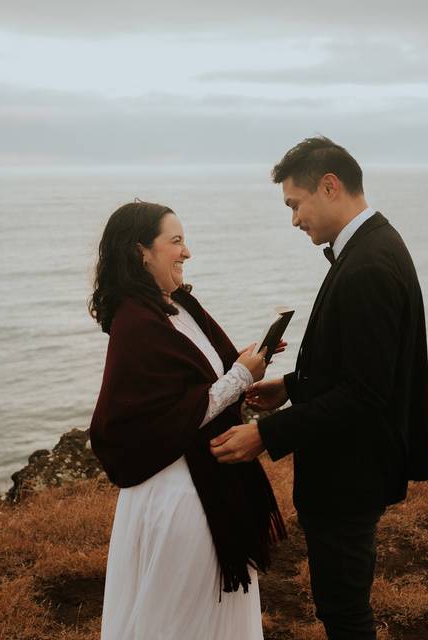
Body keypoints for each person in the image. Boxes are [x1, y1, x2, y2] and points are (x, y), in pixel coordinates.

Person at [210, 137, 428, 639]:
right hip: (355, 465)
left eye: (295, 204)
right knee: (341, 604)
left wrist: (265, 436)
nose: (293, 220)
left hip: (352, 473)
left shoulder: (370, 265)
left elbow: (363, 394)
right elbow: (362, 365)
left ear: (329, 186)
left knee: (344, 611)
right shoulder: (372, 245)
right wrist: (289, 384)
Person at [88, 201, 287, 640]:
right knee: (182, 617)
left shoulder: (179, 306)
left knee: (215, 616)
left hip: (209, 485)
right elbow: (175, 413)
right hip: (177, 495)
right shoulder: (135, 323)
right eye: (175, 241)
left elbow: (203, 378)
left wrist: (247, 365)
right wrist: (239, 377)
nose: (187, 252)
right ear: (142, 252)